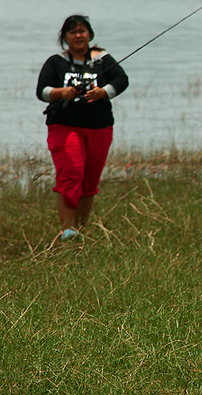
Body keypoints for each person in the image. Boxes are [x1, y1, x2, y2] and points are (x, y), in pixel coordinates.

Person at [36, 15, 129, 241]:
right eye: (73, 32)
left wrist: (102, 93)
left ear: (90, 35)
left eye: (82, 31)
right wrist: (62, 92)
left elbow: (121, 80)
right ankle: (66, 231)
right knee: (72, 173)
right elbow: (42, 91)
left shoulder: (103, 59)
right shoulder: (55, 62)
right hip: (64, 125)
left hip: (99, 126)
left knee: (89, 179)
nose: (78, 35)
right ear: (65, 38)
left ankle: (80, 231)